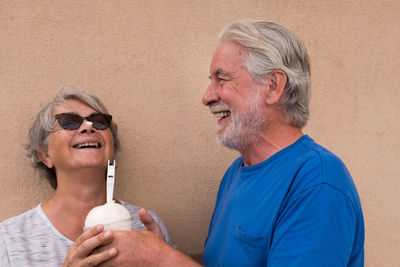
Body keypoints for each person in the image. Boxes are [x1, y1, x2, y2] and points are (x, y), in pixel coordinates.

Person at [94, 19, 365, 266]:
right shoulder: (236, 173)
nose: (207, 96)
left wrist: (162, 259)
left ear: (273, 86)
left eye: (221, 80)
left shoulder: (317, 181)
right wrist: (161, 252)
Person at [0, 87, 172, 266]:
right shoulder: (10, 239)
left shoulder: (147, 225)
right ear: (45, 155)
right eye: (69, 122)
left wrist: (161, 258)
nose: (87, 127)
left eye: (98, 122)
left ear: (111, 148)